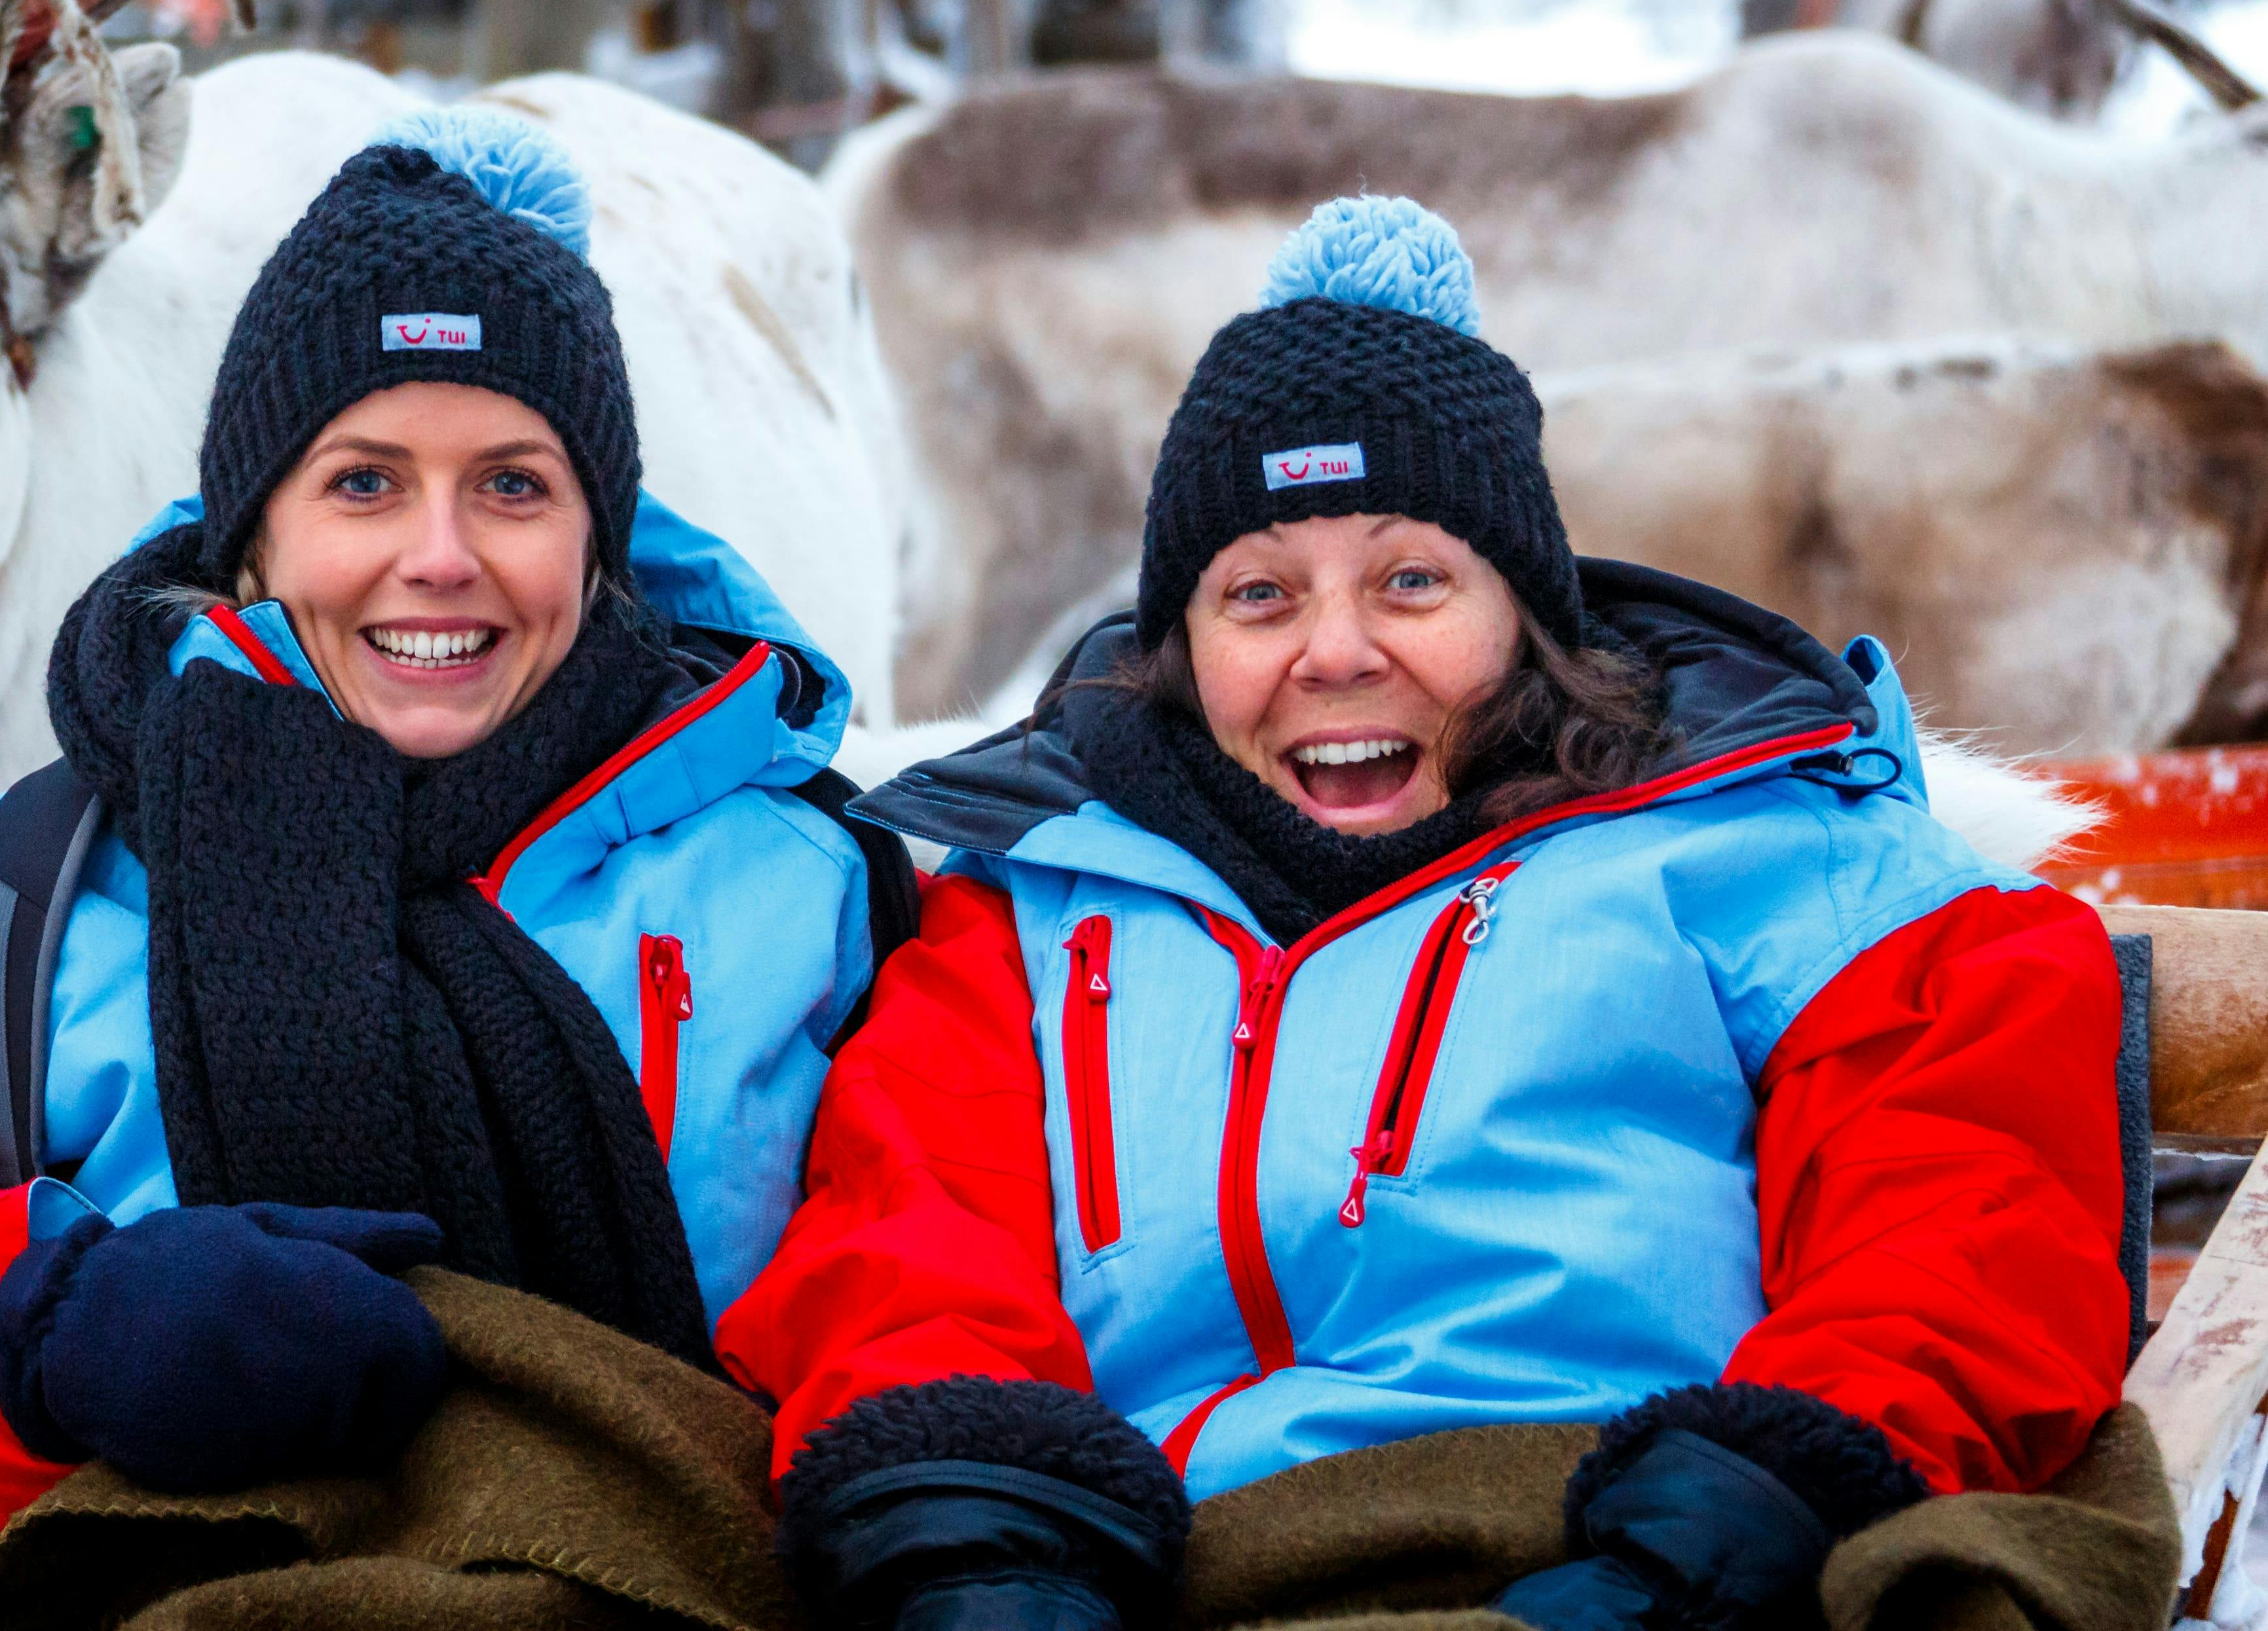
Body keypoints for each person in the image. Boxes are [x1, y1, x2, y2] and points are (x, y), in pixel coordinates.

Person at [716, 197, 2128, 1631]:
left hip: (1620, 1533)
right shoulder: (1031, 915)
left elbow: (1966, 1203)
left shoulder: (1764, 860)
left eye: (1409, 580)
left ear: (1524, 608)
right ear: (1180, 646)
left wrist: (1733, 1517)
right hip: (1154, 1558)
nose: (1335, 651)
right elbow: (907, 1248)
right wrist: (976, 1547)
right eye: (1257, 593)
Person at [0, 110, 881, 1626]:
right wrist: (44, 1344)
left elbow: (910, 1332)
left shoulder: (821, 896)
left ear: (600, 536)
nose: (439, 554)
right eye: (363, 482)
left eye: (512, 483)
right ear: (250, 535)